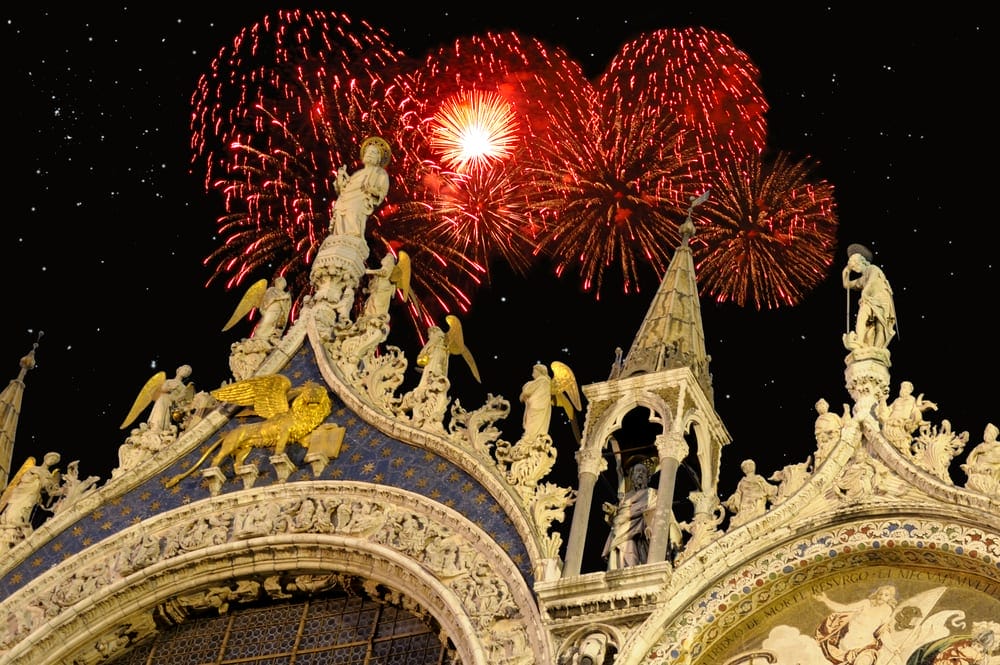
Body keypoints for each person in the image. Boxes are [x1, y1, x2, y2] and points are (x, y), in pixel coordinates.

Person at [814, 584, 898, 665]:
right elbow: (844, 608)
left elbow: (883, 632)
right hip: (849, 643)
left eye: (886, 595)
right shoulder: (866, 603)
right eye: (880, 594)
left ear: (890, 598)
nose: (882, 596)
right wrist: (825, 600)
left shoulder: (887, 610)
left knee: (864, 660)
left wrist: (892, 648)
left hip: (866, 645)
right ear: (876, 594)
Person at [329, 136, 391, 239]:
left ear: (378, 158)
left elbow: (382, 191)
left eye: (373, 152)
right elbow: (343, 189)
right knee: (340, 217)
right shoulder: (357, 174)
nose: (369, 154)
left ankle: (352, 237)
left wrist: (371, 190)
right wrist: (341, 177)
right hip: (345, 199)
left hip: (361, 200)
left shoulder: (380, 173)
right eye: (368, 151)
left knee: (354, 214)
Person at [602, 459, 656, 570]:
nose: (640, 474)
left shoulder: (652, 493)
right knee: (621, 550)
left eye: (643, 472)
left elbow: (653, 510)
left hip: (640, 529)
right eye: (637, 471)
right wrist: (612, 511)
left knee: (631, 551)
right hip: (620, 528)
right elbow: (619, 514)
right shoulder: (626, 496)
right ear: (632, 477)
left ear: (648, 478)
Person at [842, 244, 896, 350]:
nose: (854, 268)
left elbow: (871, 281)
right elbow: (846, 285)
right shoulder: (862, 279)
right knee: (862, 318)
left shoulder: (873, 268)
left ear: (862, 261)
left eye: (855, 265)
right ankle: (860, 341)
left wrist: (864, 292)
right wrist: (846, 271)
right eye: (853, 267)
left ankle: (877, 349)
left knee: (881, 326)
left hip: (881, 300)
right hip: (868, 301)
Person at [0, 452, 62, 536]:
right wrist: (37, 476)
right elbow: (24, 479)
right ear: (45, 458)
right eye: (51, 458)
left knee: (23, 511)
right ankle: (7, 525)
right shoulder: (33, 469)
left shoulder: (48, 476)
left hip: (32, 496)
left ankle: (15, 528)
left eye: (54, 461)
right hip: (21, 492)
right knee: (12, 509)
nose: (51, 461)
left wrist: (53, 488)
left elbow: (47, 490)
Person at [878, 381, 937, 453]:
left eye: (905, 388)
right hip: (890, 424)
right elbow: (888, 410)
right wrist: (883, 401)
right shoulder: (897, 400)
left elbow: (917, 409)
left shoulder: (912, 399)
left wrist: (927, 406)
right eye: (902, 388)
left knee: (901, 447)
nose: (902, 390)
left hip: (901, 426)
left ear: (910, 391)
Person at [723, 459, 776, 528]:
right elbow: (738, 494)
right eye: (748, 465)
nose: (751, 467)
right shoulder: (742, 482)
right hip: (746, 507)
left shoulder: (758, 478)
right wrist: (731, 501)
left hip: (757, 503)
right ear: (744, 470)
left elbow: (767, 489)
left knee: (757, 521)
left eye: (751, 465)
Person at [519, 364, 552, 443]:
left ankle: (531, 441)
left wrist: (526, 386)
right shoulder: (545, 382)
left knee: (533, 428)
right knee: (534, 427)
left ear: (539, 371)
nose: (532, 374)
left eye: (534, 372)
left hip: (536, 408)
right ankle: (531, 441)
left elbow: (526, 392)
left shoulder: (542, 380)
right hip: (537, 408)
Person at [254, 276, 291, 342]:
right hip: (271, 309)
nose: (282, 285)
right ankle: (259, 337)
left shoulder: (284, 294)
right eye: (281, 283)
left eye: (283, 284)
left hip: (279, 312)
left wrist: (287, 299)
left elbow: (287, 306)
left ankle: (269, 338)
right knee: (266, 322)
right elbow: (268, 299)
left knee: (273, 325)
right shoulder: (272, 290)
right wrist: (282, 298)